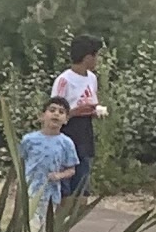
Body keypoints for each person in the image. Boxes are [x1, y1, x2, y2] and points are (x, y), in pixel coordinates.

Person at [50, 32, 103, 187]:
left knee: (82, 182)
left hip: (85, 134)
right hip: (67, 133)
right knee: (65, 183)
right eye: (96, 56)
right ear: (87, 57)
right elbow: (54, 112)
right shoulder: (64, 80)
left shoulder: (92, 78)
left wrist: (94, 111)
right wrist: (74, 112)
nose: (97, 60)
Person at [18, 95, 84, 218]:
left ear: (66, 120)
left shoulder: (67, 143)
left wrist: (59, 175)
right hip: (28, 192)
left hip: (50, 195)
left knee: (43, 226)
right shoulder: (28, 140)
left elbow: (71, 169)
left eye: (61, 112)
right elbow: (20, 163)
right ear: (42, 116)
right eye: (52, 110)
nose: (56, 114)